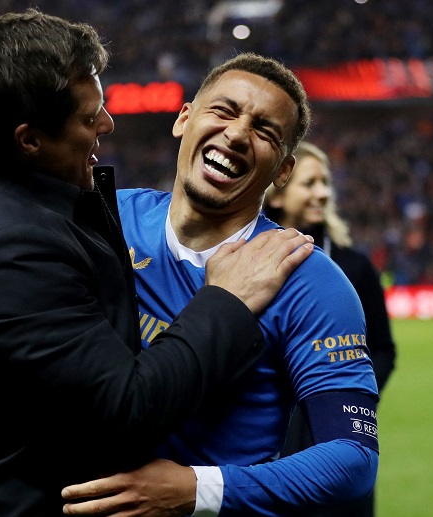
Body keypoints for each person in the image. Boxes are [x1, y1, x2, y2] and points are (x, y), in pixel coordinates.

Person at [0, 10, 314, 517]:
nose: (107, 124)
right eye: (88, 116)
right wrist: (226, 300)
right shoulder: (11, 250)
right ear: (29, 139)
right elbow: (127, 409)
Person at [61, 53, 380, 515]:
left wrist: (197, 490)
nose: (236, 134)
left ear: (283, 171)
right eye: (224, 111)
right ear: (183, 119)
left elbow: (353, 458)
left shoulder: (308, 281)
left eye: (265, 131)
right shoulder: (105, 219)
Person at [263, 141, 397, 517]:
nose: (322, 193)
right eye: (309, 183)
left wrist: (348, 398)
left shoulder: (354, 267)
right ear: (276, 193)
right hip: (267, 436)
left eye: (325, 183)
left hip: (334, 432)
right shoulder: (246, 260)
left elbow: (383, 349)